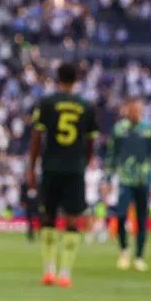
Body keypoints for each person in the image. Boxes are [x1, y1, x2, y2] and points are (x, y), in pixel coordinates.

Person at [27, 62, 98, 288]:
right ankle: (65, 273)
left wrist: (32, 165)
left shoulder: (47, 103)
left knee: (47, 216)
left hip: (51, 166)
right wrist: (84, 162)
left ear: (57, 78)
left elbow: (37, 136)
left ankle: (49, 270)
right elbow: (90, 141)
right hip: (74, 167)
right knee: (73, 219)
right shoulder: (86, 106)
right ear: (76, 79)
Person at [105, 97, 151, 272]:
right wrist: (107, 178)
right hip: (124, 179)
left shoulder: (150, 130)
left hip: (144, 179)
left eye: (138, 110)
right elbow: (111, 154)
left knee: (142, 218)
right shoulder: (119, 129)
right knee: (120, 215)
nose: (135, 113)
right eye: (132, 110)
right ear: (127, 110)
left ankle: (139, 257)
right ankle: (124, 251)